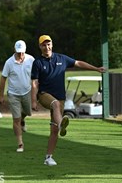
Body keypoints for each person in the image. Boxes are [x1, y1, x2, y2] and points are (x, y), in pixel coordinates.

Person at [31, 35, 106, 166]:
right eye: (43, 45)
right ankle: (62, 124)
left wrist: (96, 68)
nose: (46, 47)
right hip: (44, 95)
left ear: (52, 45)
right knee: (54, 105)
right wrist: (33, 100)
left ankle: (48, 157)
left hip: (60, 98)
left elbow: (78, 63)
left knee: (54, 131)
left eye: (48, 44)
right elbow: (34, 83)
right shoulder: (37, 62)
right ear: (40, 47)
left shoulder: (62, 58)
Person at [0, 40, 35, 153]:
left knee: (28, 112)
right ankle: (20, 144)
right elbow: (3, 78)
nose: (20, 55)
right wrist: (1, 95)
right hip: (13, 94)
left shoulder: (31, 60)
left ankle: (22, 120)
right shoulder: (9, 62)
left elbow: (36, 76)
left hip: (27, 92)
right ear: (15, 50)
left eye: (22, 52)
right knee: (16, 119)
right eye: (18, 52)